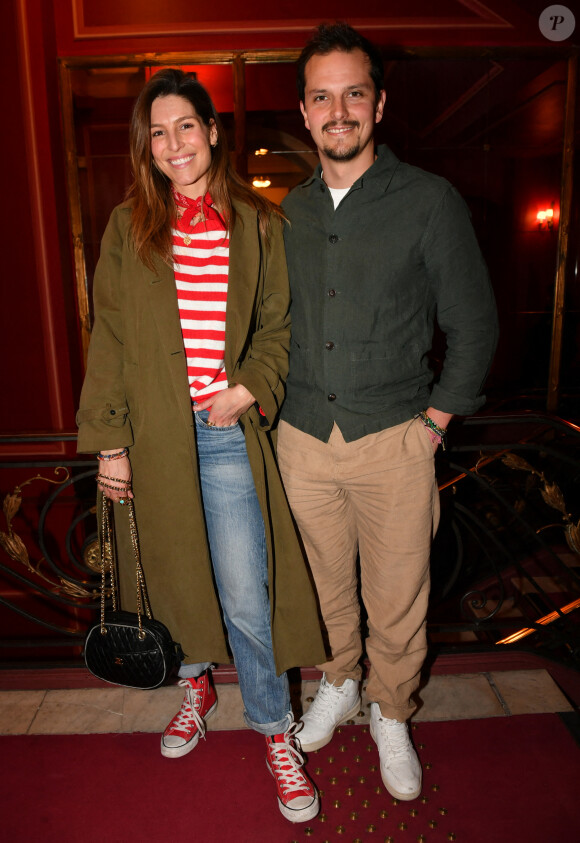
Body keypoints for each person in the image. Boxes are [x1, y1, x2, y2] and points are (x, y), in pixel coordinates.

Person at [77, 68, 325, 824]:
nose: (174, 143)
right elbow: (110, 335)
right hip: (151, 435)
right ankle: (193, 689)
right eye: (159, 132)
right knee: (173, 578)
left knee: (248, 594)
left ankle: (275, 733)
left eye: (187, 125)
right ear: (145, 147)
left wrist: (248, 386)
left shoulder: (259, 221)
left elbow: (279, 327)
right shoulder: (129, 226)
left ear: (213, 131)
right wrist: (110, 442)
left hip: (222, 435)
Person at [277, 23, 499, 802]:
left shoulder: (429, 200)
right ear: (304, 112)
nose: (338, 110)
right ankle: (340, 680)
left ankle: (391, 709)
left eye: (353, 93)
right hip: (302, 438)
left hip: (396, 437)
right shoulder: (287, 214)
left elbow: (473, 323)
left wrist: (436, 423)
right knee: (325, 586)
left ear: (378, 103)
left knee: (398, 595)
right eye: (322, 96)